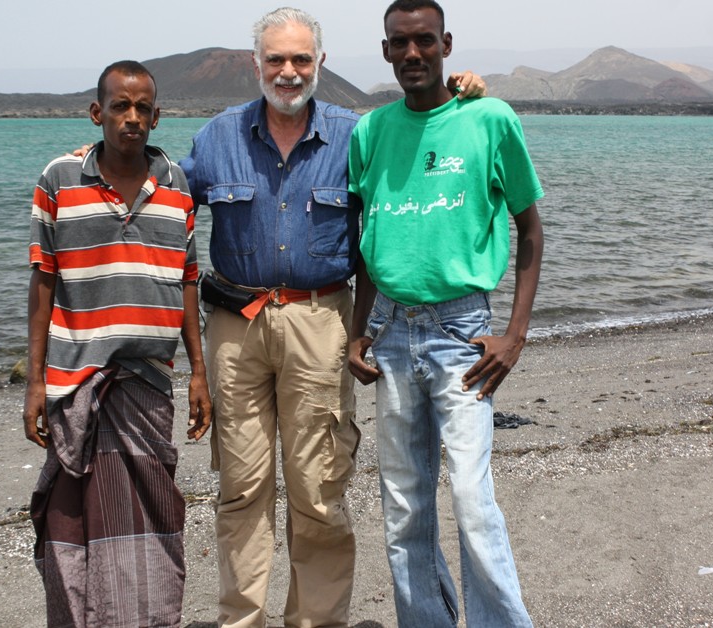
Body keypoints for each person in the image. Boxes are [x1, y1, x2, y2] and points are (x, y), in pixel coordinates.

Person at [180, 8, 485, 627]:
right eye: (275, 60)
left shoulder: (358, 135)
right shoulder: (217, 137)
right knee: (241, 489)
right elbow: (163, 201)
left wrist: (467, 96)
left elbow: (427, 141)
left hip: (322, 323)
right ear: (255, 65)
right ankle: (240, 620)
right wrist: (104, 157)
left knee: (319, 489)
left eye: (300, 59)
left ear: (320, 62)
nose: (287, 72)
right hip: (235, 328)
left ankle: (315, 623)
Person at [346, 1, 545, 626]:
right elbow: (362, 243)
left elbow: (530, 227)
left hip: (463, 334)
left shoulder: (489, 119)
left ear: (446, 45)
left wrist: (514, 335)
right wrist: (358, 330)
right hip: (392, 334)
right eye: (399, 43)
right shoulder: (370, 132)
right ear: (385, 51)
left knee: (471, 499)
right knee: (404, 507)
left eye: (424, 41)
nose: (412, 54)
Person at [23, 60, 212, 627]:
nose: (131, 118)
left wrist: (197, 371)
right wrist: (35, 381)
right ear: (96, 111)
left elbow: (187, 281)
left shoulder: (177, 185)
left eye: (142, 108)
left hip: (148, 384)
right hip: (75, 384)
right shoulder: (59, 179)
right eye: (120, 106)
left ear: (157, 116)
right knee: (71, 521)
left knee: (153, 515)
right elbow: (43, 280)